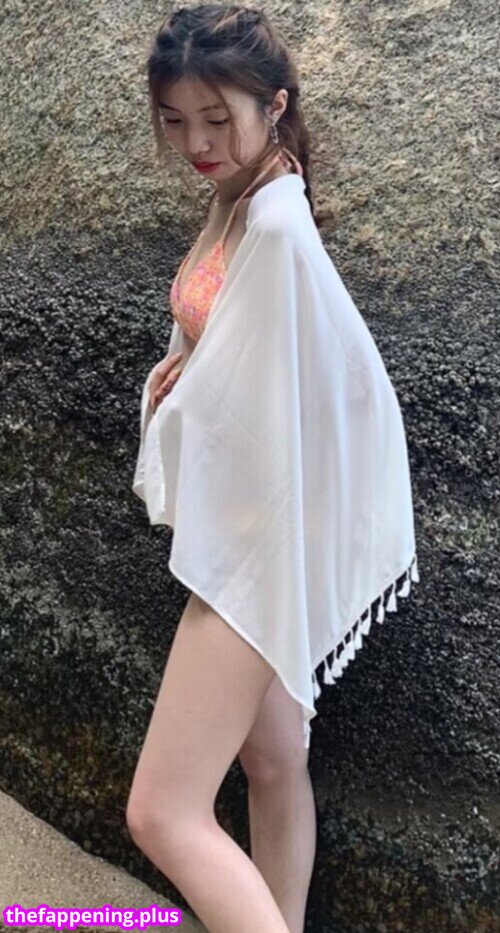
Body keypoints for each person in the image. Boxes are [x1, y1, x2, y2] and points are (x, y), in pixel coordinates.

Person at [127, 6, 419, 933]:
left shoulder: (281, 223)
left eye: (218, 118)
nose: (197, 143)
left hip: (260, 541)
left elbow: (343, 386)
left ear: (275, 104)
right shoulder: (241, 193)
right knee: (274, 759)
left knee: (162, 811)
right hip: (260, 523)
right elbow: (246, 357)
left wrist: (198, 392)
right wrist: (184, 370)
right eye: (177, 120)